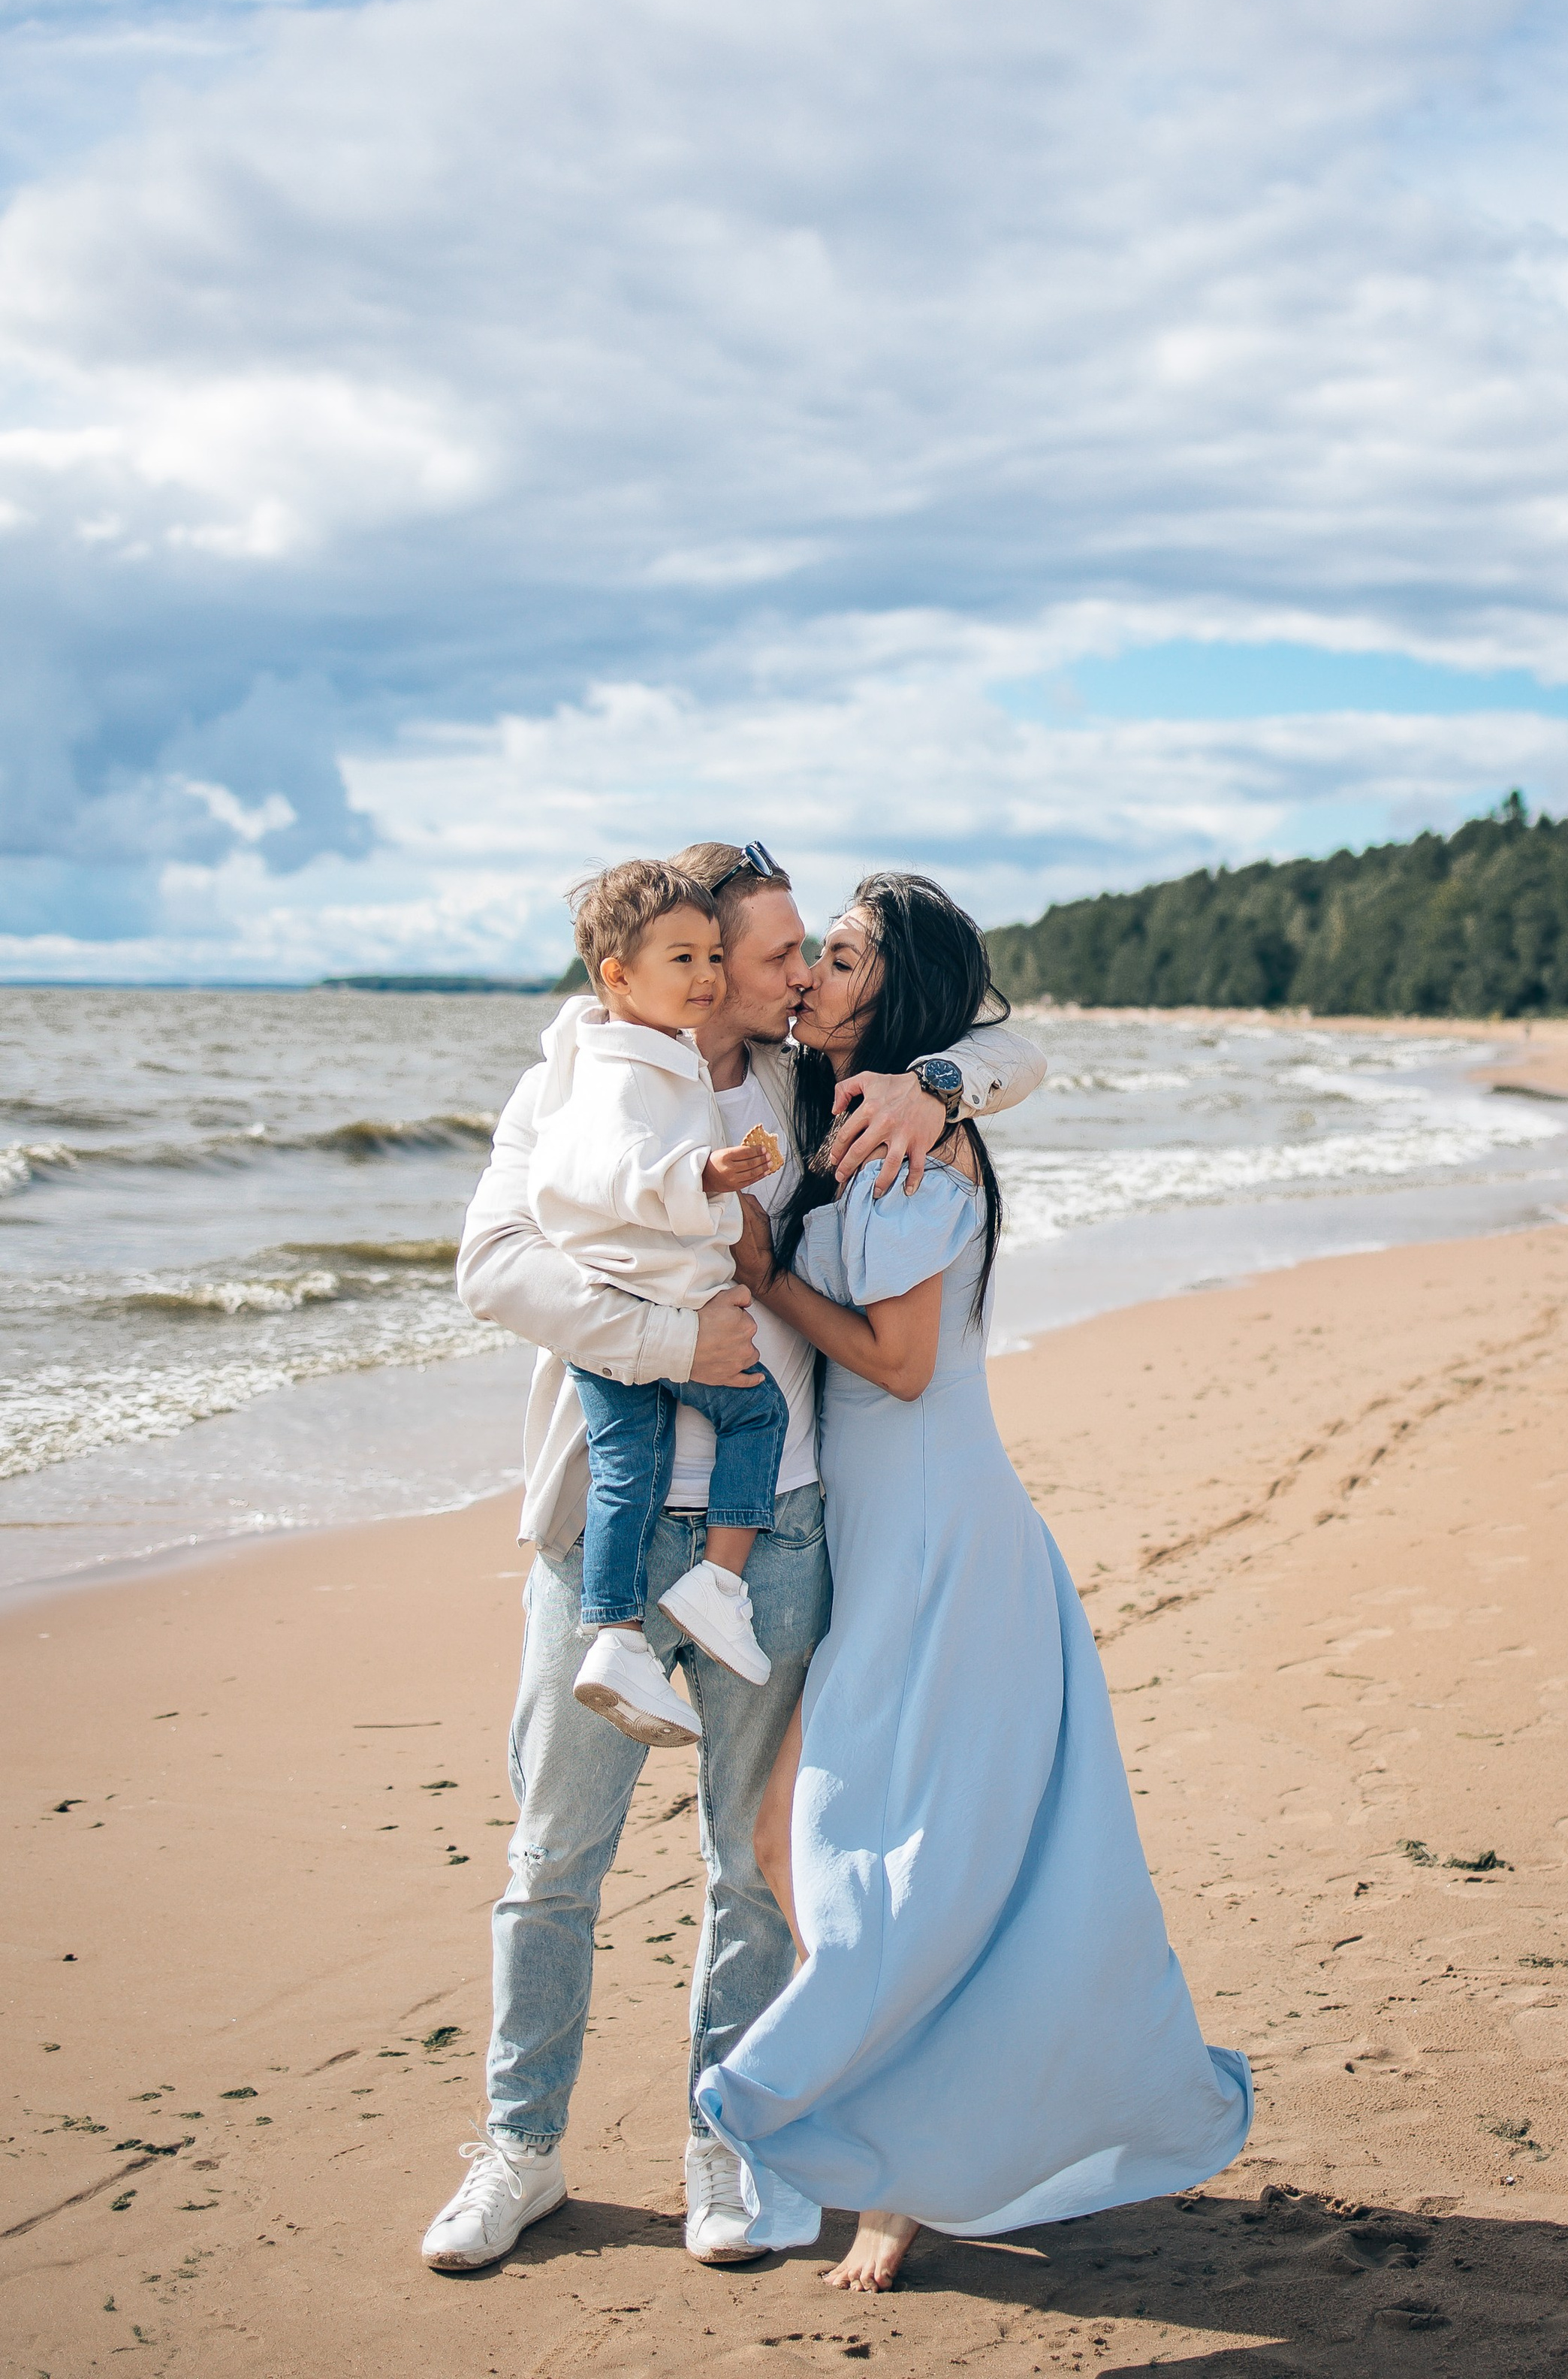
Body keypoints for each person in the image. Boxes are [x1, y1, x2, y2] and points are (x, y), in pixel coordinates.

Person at [421, 841, 1046, 2274]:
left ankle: (728, 2140)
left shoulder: (805, 1086)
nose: (782, 982)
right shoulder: (569, 1084)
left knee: (753, 1873)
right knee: (552, 1858)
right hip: (606, 1533)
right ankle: (518, 2150)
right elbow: (490, 1268)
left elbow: (1013, 1045)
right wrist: (663, 1341)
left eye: (786, 958)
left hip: (785, 1530)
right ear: (678, 961)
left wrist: (938, 1079)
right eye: (766, 957)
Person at [704, 872, 1252, 2294]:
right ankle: (902, 2149)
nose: (809, 974)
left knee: (877, 1868)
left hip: (943, 1549)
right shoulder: (847, 1113)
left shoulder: (908, 1148)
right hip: (888, 1544)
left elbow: (896, 1361)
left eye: (838, 956)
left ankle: (899, 2183)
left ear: (898, 993)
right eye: (808, 954)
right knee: (817, 1852)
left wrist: (763, 1272)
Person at [526, 859, 794, 1748]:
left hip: (649, 1308)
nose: (707, 979)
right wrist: (711, 1178)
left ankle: (615, 1635)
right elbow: (610, 1170)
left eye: (714, 957)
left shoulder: (691, 1060)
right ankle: (712, 1589)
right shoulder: (607, 1066)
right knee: (754, 1416)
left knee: (626, 1469)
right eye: (686, 959)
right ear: (618, 975)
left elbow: (998, 1051)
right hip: (644, 1315)